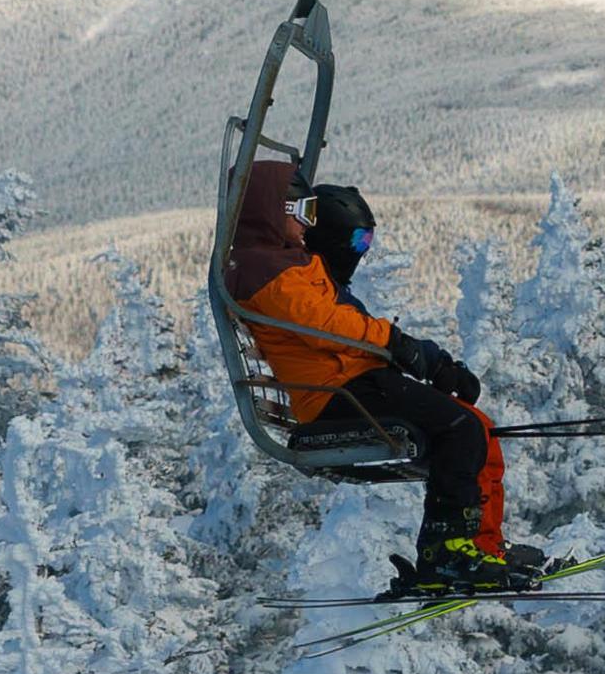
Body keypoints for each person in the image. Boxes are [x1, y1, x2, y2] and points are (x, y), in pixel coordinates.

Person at [229, 171, 547, 594]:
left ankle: (480, 546)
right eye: (302, 212)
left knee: (477, 425)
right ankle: (446, 553)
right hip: (336, 394)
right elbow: (328, 325)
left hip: (353, 380)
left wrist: (426, 359)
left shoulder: (285, 262)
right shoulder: (268, 271)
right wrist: (399, 344)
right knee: (460, 428)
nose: (308, 224)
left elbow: (339, 326)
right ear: (273, 213)